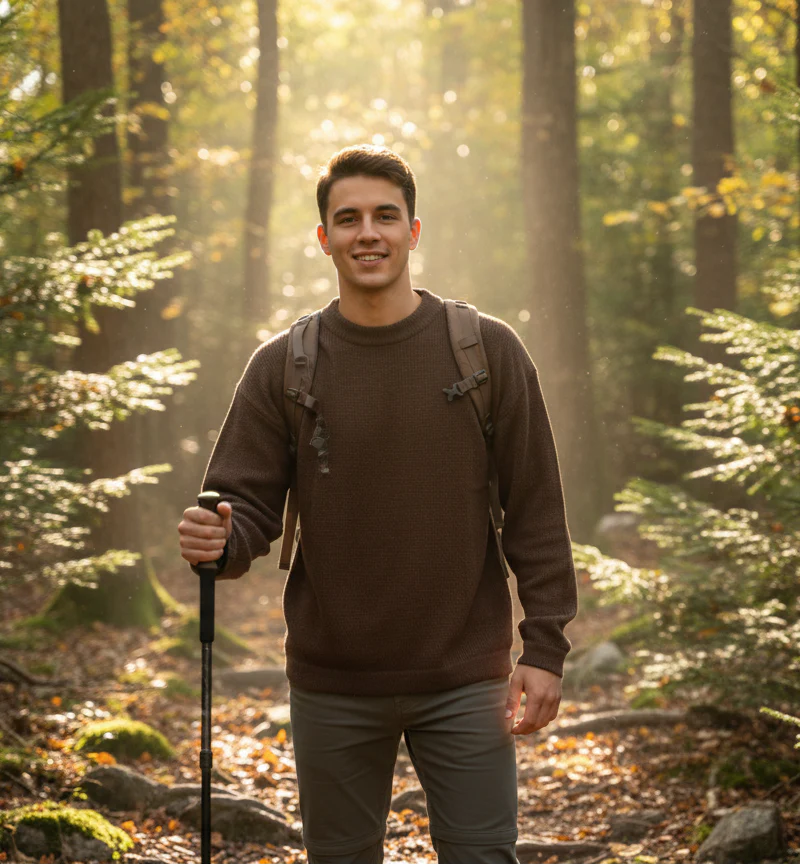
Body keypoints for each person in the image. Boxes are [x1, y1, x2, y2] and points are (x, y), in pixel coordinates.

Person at [178, 144, 578, 865]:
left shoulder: (486, 351)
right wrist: (220, 538)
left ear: (413, 231)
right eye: (349, 218)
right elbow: (244, 506)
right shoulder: (284, 364)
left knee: (484, 856)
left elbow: (537, 510)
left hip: (466, 676)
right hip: (334, 681)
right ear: (325, 237)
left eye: (386, 216)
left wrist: (544, 645)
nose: (369, 232)